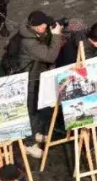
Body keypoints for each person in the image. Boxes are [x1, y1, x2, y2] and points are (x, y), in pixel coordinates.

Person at [5, 10, 65, 158]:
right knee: (28, 110)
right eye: (44, 25)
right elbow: (50, 56)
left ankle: (34, 133)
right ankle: (28, 144)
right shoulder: (28, 42)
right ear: (37, 27)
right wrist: (56, 36)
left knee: (35, 108)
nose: (46, 26)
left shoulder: (33, 31)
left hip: (36, 75)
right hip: (27, 79)